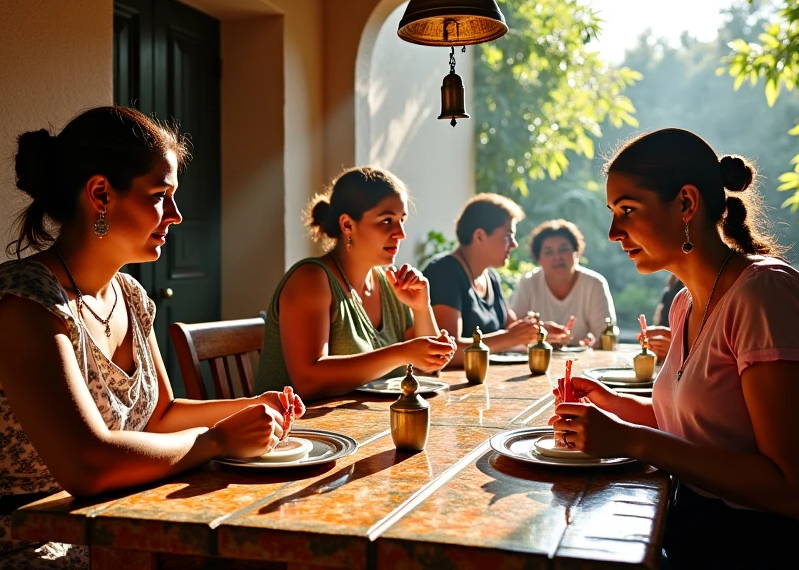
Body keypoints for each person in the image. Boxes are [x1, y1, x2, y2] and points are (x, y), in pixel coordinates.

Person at [0, 106, 304, 569]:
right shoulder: (23, 303)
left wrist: (252, 408)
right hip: (6, 546)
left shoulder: (129, 295)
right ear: (100, 194)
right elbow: (88, 465)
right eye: (161, 195)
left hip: (99, 528)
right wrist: (216, 441)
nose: (176, 216)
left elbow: (160, 415)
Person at [551, 128, 799, 568]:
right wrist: (615, 407)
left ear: (686, 203)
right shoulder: (688, 302)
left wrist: (634, 441)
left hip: (763, 546)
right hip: (706, 524)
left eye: (627, 210)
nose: (612, 232)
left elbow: (794, 491)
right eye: (612, 212)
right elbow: (700, 428)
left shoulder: (766, 297)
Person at [255, 167, 455, 400]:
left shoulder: (389, 283)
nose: (400, 233)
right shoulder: (310, 279)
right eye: (387, 220)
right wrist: (401, 353)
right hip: (298, 431)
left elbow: (428, 369)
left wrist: (422, 308)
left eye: (402, 220)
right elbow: (308, 381)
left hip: (359, 426)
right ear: (348, 225)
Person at [424, 193, 569, 367]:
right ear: (479, 236)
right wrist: (510, 338)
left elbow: (512, 329)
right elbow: (445, 352)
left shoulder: (490, 276)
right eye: (508, 235)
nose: (514, 244)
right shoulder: (445, 272)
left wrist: (539, 332)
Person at [509, 219, 616, 343]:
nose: (557, 257)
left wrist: (592, 344)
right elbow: (514, 330)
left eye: (563, 249)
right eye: (549, 252)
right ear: (538, 259)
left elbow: (606, 334)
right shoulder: (528, 283)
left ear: (577, 253)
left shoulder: (594, 284)